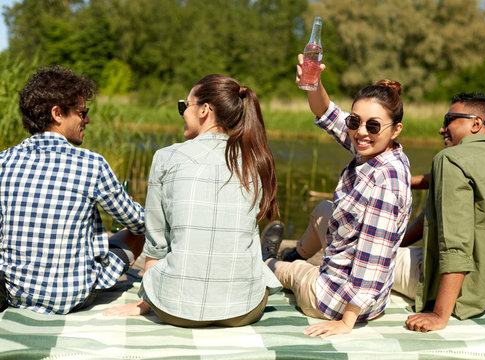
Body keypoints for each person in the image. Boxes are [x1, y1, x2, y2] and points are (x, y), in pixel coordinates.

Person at [104, 74, 282, 327]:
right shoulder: (256, 160)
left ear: (204, 110)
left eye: (184, 106)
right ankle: (267, 256)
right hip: (243, 310)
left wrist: (148, 301)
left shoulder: (166, 157)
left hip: (175, 311)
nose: (182, 114)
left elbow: (156, 242)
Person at [261, 55, 412, 338]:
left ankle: (271, 261)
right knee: (322, 209)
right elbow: (327, 113)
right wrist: (314, 84)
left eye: (373, 126)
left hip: (336, 301)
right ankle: (297, 252)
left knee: (294, 273)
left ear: (396, 129)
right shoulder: (373, 147)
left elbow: (373, 258)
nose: (361, 132)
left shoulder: (387, 181)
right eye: (355, 121)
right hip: (347, 269)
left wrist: (345, 322)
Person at [0, 65, 146, 314]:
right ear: (57, 113)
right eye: (82, 112)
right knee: (135, 234)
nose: (86, 120)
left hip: (17, 295)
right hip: (72, 297)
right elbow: (140, 223)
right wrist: (132, 207)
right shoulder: (92, 163)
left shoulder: (3, 161)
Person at [393, 92, 485, 333]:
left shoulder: (450, 159)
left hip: (467, 293)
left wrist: (439, 314)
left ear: (476, 124)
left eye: (449, 119)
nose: (441, 129)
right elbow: (443, 204)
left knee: (346, 240)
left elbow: (456, 244)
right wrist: (409, 181)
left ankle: (299, 261)